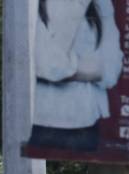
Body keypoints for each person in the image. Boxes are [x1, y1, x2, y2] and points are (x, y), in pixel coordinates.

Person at [30, 0, 123, 152]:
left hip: (87, 127)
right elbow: (48, 65)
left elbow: (112, 68)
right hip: (42, 126)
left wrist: (67, 69)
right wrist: (91, 69)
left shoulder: (101, 4)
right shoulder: (33, 4)